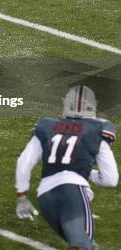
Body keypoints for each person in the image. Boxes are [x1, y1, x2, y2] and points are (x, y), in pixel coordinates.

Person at [15, 85, 118, 250]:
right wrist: (87, 172)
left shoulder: (46, 126)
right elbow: (110, 180)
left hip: (45, 196)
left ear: (65, 104)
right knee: (82, 246)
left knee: (89, 246)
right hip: (72, 192)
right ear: (94, 106)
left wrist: (21, 195)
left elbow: (24, 161)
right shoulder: (98, 130)